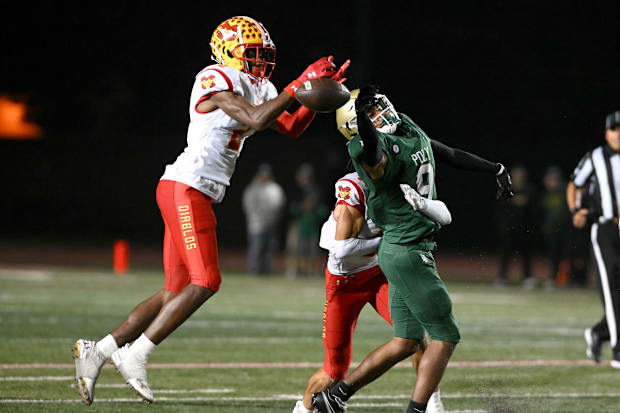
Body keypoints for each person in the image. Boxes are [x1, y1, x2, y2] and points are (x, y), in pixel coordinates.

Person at [71, 15, 349, 405]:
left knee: (173, 291)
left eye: (263, 56)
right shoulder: (213, 78)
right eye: (251, 55)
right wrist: (299, 84)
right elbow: (254, 117)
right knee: (206, 281)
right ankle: (135, 354)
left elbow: (289, 125)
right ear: (227, 52)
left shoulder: (259, 85)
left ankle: (97, 351)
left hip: (194, 190)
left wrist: (320, 91)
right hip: (187, 187)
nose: (259, 63)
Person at [312, 86, 513, 413]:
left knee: (406, 341)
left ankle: (335, 397)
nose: (382, 114)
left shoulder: (405, 125)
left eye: (379, 107)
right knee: (446, 335)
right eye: (371, 113)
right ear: (360, 125)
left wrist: (495, 169)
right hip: (408, 250)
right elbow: (375, 157)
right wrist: (364, 121)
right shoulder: (366, 149)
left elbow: (443, 152)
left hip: (398, 251)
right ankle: (418, 410)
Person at [292, 168, 452, 413]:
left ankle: (433, 404)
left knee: (417, 334)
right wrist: (392, 238)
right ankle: (303, 410)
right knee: (334, 371)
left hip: (378, 274)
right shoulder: (354, 189)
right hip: (345, 284)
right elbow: (342, 248)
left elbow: (441, 213)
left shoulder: (399, 181)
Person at [567, 110, 620, 368]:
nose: (618, 134)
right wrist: (576, 210)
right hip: (606, 230)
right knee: (611, 290)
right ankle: (618, 352)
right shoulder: (596, 157)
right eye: (614, 129)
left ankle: (599, 333)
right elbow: (574, 184)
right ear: (606, 133)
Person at [493, 163, 535, 288]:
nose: (518, 177)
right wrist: (502, 226)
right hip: (508, 229)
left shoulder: (529, 190)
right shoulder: (505, 188)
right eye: (516, 174)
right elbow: (499, 208)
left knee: (526, 253)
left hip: (524, 228)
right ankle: (502, 277)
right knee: (506, 253)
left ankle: (528, 277)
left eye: (520, 175)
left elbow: (532, 208)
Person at [242, 163, 286, 275]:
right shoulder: (252, 189)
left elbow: (279, 204)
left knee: (269, 250)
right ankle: (254, 271)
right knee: (256, 249)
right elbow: (249, 206)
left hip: (271, 224)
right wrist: (258, 218)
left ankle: (267, 271)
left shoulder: (274, 188)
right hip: (256, 224)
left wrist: (272, 218)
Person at [286, 163, 327, 278]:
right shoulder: (295, 189)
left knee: (311, 249)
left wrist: (314, 210)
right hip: (298, 223)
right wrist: (300, 208)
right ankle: (295, 270)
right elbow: (290, 207)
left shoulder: (315, 190)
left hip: (311, 223)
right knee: (295, 248)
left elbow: (322, 208)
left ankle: (310, 271)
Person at [539, 166, 571, 289]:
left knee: (567, 255)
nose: (551, 182)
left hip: (565, 229)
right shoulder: (544, 195)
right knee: (553, 256)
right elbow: (541, 213)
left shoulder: (565, 192)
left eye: (554, 179)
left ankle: (566, 279)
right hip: (551, 231)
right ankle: (553, 278)